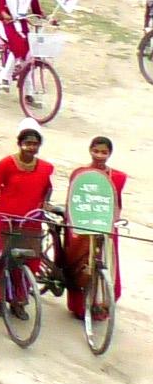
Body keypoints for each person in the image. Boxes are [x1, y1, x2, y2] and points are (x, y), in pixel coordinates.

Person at [0, 119, 55, 318]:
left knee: (30, 263)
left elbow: (48, 188)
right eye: (27, 143)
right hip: (7, 222)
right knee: (3, 261)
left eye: (35, 144)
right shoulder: (5, 164)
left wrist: (45, 204)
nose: (31, 147)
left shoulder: (46, 168)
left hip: (32, 223)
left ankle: (19, 301)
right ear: (19, 144)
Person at [64, 136, 125, 319]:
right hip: (82, 229)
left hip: (105, 227)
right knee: (80, 267)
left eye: (104, 152)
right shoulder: (80, 174)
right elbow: (73, 202)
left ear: (110, 154)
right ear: (90, 150)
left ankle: (101, 305)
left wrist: (112, 224)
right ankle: (80, 307)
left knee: (105, 264)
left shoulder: (118, 177)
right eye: (96, 151)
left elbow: (116, 204)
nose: (99, 155)